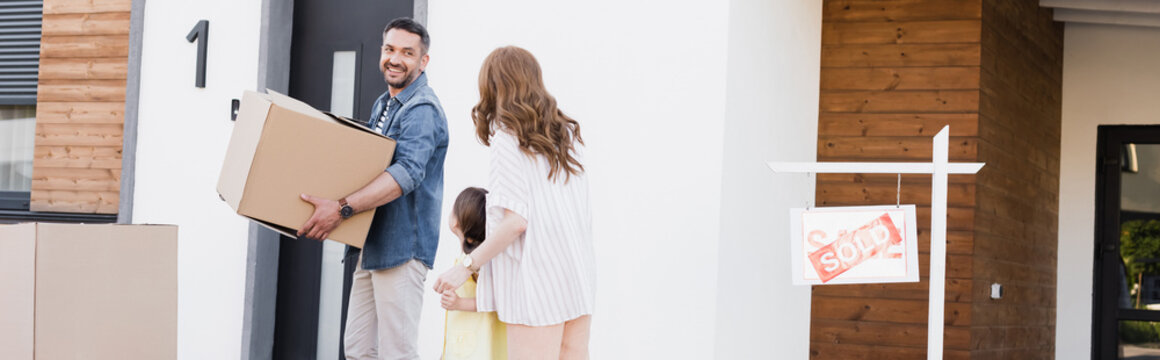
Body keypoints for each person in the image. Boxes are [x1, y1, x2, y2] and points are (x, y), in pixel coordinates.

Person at [297, 17, 448, 360]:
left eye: (407, 53)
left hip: (402, 249)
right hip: (372, 245)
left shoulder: (422, 109)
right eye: (389, 49)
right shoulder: (384, 103)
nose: (395, 59)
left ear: (423, 61)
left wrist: (341, 208)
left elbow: (406, 173)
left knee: (396, 352)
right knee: (359, 348)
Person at [434, 46, 595, 360]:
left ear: (493, 87)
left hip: (535, 284)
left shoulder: (507, 140)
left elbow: (515, 222)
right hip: (577, 274)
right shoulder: (567, 136)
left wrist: (465, 267)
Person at [440, 187, 507, 359]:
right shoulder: (470, 260)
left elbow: (496, 299)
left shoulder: (476, 262)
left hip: (478, 345)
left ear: (456, 222)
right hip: (467, 342)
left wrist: (459, 303)